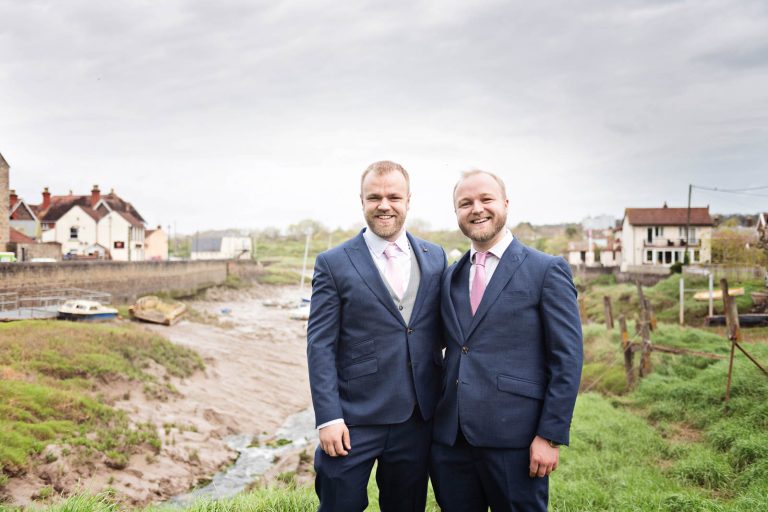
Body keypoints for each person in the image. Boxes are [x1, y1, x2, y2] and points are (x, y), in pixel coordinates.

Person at [430, 169, 583, 512]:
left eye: (486, 199)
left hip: (517, 442)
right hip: (452, 443)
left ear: (505, 204)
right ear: (456, 212)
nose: (477, 209)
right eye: (465, 203)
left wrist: (550, 435)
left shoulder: (546, 270)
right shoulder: (450, 276)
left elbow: (567, 358)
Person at [307, 161, 446, 512]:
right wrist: (328, 417)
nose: (384, 204)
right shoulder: (333, 262)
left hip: (416, 419)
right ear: (362, 201)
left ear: (408, 201)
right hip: (353, 418)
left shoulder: (435, 257)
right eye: (375, 197)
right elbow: (320, 345)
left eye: (394, 196)